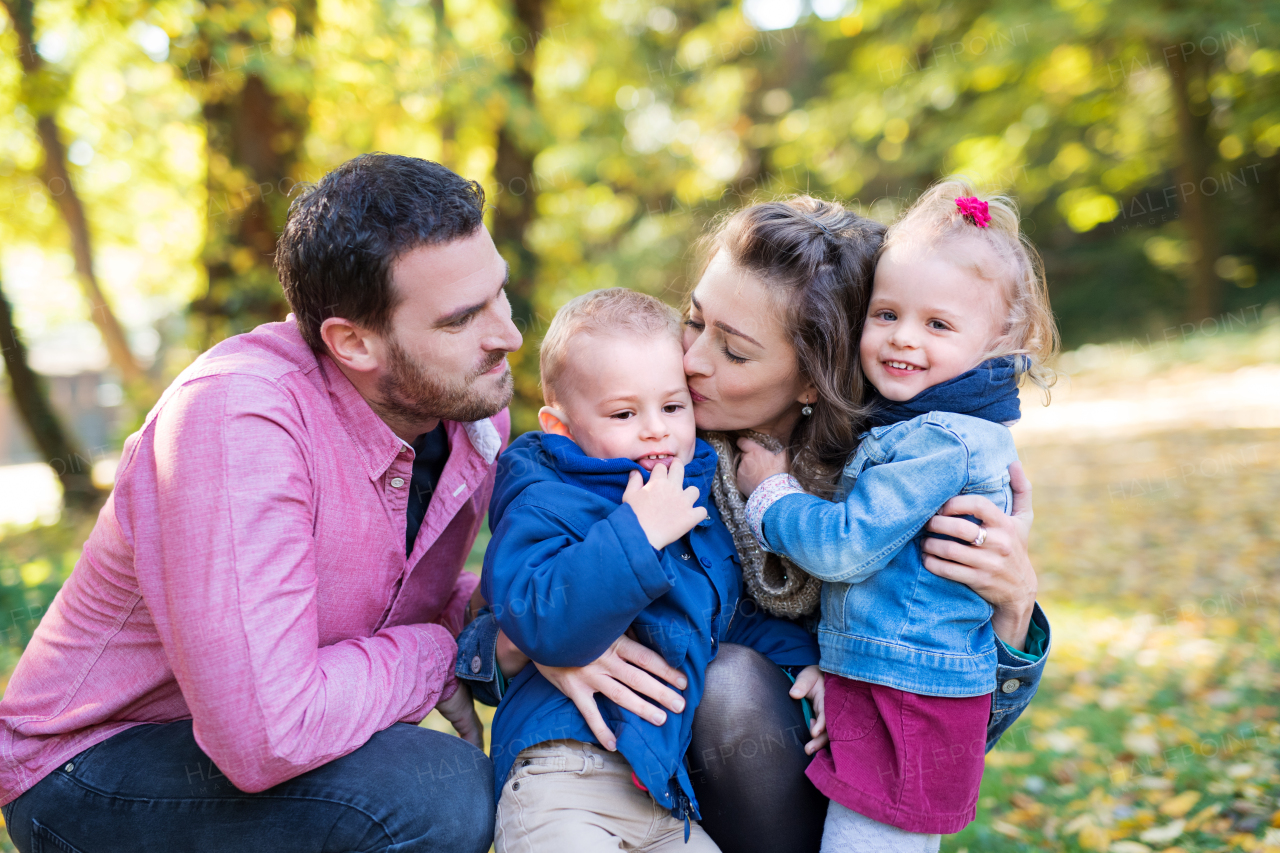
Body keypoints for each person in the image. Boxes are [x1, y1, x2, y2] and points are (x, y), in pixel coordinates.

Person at [459, 195, 1049, 853]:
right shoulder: (638, 435)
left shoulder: (894, 486)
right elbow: (493, 623)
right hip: (631, 778)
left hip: (819, 781)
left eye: (734, 351)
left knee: (733, 680)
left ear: (811, 383)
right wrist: (541, 643)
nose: (692, 360)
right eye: (694, 321)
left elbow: (947, 722)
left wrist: (1013, 611)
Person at [0, 154, 522, 853]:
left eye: (500, 295)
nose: (508, 336)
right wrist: (437, 652)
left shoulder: (470, 411)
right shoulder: (235, 420)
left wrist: (535, 616)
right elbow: (266, 735)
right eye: (461, 320)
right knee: (436, 791)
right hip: (92, 767)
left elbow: (379, 593)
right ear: (353, 342)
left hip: (258, 734)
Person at [736, 180, 1058, 852]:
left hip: (908, 702)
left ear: (1001, 338)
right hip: (889, 682)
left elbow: (847, 548)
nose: (902, 339)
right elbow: (896, 588)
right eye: (886, 314)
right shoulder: (920, 425)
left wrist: (771, 497)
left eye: (938, 324)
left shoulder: (939, 439)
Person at [481, 289, 821, 852]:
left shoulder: (694, 500)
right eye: (623, 413)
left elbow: (727, 617)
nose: (656, 430)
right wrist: (636, 533)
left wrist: (801, 661)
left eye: (672, 407)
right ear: (560, 427)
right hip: (563, 774)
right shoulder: (545, 498)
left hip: (663, 793)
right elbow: (535, 615)